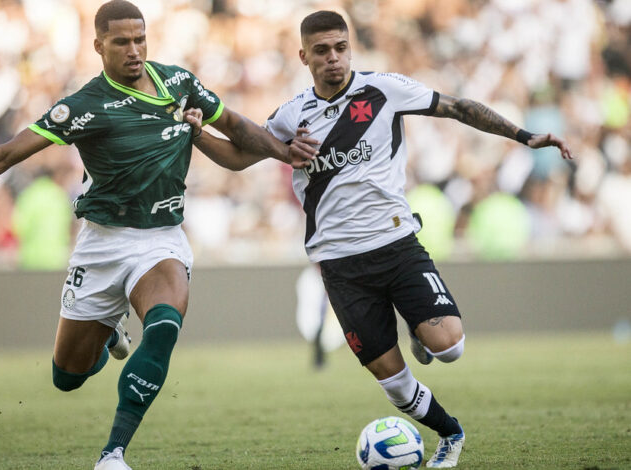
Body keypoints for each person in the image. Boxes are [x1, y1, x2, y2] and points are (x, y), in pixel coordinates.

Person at [0, 2, 311, 469]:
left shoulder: (179, 84)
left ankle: (113, 453)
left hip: (160, 238)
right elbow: (5, 156)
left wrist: (288, 153)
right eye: (121, 41)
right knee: (68, 376)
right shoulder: (83, 106)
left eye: (140, 39)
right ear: (98, 45)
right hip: (103, 244)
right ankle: (107, 337)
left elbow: (238, 129)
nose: (134, 50)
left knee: (163, 327)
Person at [187, 10, 573, 468]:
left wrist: (524, 136)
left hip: (396, 244)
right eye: (322, 51)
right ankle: (450, 433)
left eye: (341, 47)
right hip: (339, 264)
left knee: (450, 347)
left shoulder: (383, 89)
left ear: (350, 47)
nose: (334, 58)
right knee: (392, 381)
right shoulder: (291, 117)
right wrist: (197, 134)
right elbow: (236, 157)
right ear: (303, 56)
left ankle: (421, 333)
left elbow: (459, 108)